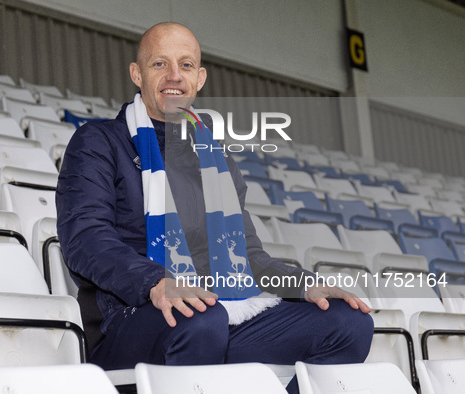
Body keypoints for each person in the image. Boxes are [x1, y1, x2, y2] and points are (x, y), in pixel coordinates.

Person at [56, 22, 374, 394]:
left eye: (186, 65)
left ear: (200, 78)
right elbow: (85, 238)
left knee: (348, 323)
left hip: (218, 315)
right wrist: (155, 282)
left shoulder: (214, 158)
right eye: (160, 64)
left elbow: (249, 255)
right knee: (201, 318)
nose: (175, 76)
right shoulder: (99, 142)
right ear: (137, 74)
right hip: (132, 319)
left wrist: (302, 284)